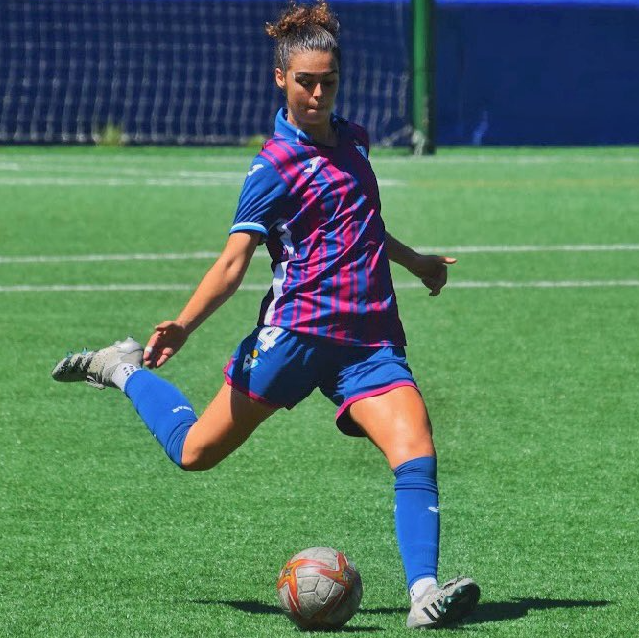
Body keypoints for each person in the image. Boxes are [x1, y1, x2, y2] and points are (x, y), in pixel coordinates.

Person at [52, 1, 479, 628]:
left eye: (328, 81)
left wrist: (414, 261)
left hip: (368, 341)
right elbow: (233, 263)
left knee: (415, 449)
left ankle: (423, 595)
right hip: (294, 337)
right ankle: (121, 368)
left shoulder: (355, 140)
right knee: (194, 452)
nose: (317, 94)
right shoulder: (274, 167)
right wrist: (183, 325)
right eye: (305, 82)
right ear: (281, 78)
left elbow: (361, 223)